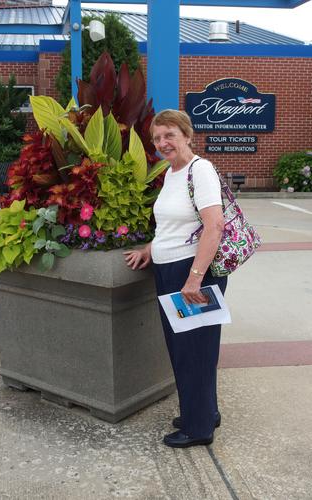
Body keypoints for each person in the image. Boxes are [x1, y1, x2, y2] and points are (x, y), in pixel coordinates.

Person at [124, 109, 227, 449]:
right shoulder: (171, 174)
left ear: (186, 134)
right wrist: (149, 250)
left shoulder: (202, 170)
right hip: (170, 269)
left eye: (169, 135)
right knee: (187, 347)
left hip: (191, 273)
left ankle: (198, 429)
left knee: (193, 350)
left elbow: (214, 227)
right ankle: (203, 411)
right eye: (156, 138)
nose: (162, 143)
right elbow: (174, 224)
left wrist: (195, 279)